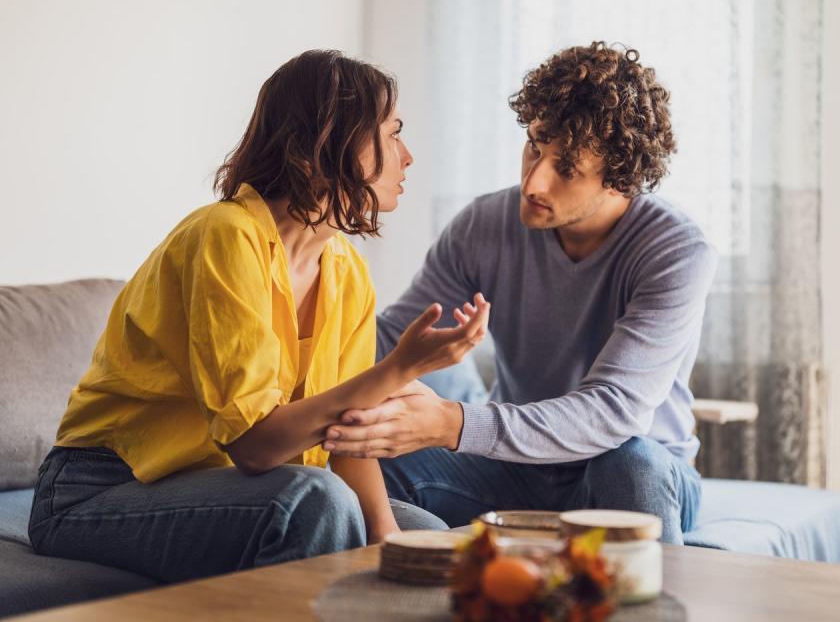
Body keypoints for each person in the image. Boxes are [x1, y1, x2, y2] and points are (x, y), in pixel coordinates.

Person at [28, 49, 489, 583]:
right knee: (314, 502)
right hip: (99, 490)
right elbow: (254, 446)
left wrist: (392, 545)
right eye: (391, 133)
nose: (407, 155)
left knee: (424, 530)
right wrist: (399, 368)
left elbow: (346, 435)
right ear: (326, 141)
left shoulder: (345, 270)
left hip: (229, 488)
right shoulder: (224, 235)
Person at [320, 42, 717, 545]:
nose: (533, 181)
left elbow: (614, 411)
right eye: (535, 145)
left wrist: (452, 423)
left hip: (626, 468)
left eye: (567, 167)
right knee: (356, 446)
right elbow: (391, 337)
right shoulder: (485, 224)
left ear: (621, 178)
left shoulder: (676, 249)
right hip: (513, 468)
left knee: (632, 461)